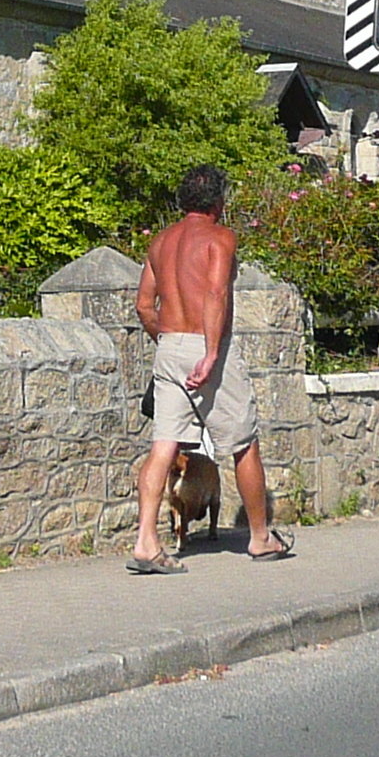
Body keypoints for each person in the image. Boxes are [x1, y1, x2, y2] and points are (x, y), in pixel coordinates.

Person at [129, 165, 291, 571]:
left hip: (168, 345)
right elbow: (216, 293)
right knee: (243, 442)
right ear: (220, 201)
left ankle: (146, 542)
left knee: (163, 445)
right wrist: (211, 354)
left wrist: (168, 345)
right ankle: (260, 538)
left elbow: (144, 306)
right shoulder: (221, 238)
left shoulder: (160, 243)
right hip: (208, 348)